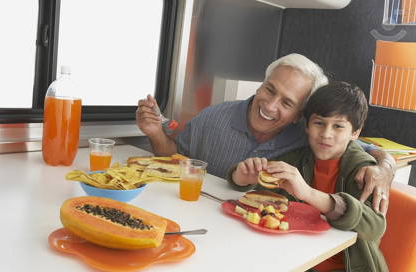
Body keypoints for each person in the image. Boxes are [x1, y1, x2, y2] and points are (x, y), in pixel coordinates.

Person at [136, 53, 395, 215]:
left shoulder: (311, 135)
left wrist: (385, 168)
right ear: (261, 85)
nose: (270, 106)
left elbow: (360, 147)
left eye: (287, 103)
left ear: (300, 115)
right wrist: (156, 133)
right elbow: (175, 160)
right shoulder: (211, 117)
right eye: (270, 90)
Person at [229, 81, 390, 272]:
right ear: (307, 126)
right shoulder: (298, 159)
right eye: (319, 123)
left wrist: (307, 193)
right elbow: (258, 186)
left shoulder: (362, 169)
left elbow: (375, 227)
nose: (325, 134)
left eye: (338, 126)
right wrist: (241, 176)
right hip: (297, 262)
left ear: (355, 133)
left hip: (345, 271)